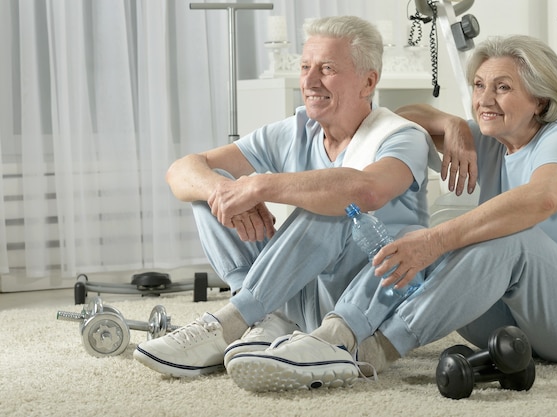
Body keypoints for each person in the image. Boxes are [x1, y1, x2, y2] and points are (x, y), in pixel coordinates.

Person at [225, 34, 557, 393]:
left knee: (483, 235)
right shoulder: (492, 141)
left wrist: (435, 241)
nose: (485, 99)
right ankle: (340, 330)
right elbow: (397, 120)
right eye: (478, 86)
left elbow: (541, 200)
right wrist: (451, 124)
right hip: (521, 318)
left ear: (540, 100)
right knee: (431, 230)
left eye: (502, 88)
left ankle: (368, 350)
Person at [133, 16, 443, 379]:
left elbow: (366, 190)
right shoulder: (298, 129)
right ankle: (259, 320)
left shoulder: (400, 136)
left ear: (368, 82)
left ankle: (230, 323)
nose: (310, 82)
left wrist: (260, 186)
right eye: (305, 67)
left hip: (362, 307)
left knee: (337, 199)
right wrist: (223, 191)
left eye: (327, 69)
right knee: (213, 187)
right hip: (297, 292)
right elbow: (182, 169)